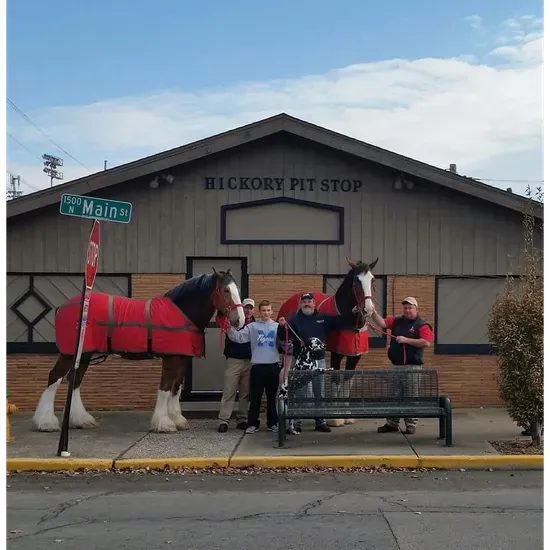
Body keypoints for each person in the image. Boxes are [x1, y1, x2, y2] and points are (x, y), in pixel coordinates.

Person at [277, 292, 351, 433]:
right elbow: (283, 336)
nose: (307, 303)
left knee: (319, 392)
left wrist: (352, 312)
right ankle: (297, 421)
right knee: (301, 393)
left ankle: (320, 421)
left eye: (309, 301)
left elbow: (341, 321)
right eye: (304, 301)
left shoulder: (323, 318)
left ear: (314, 303)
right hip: (301, 363)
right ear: (301, 304)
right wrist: (281, 327)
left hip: (319, 361)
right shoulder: (294, 319)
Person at [370, 296, 433, 435]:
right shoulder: (397, 321)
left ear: (416, 309)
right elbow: (381, 323)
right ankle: (392, 423)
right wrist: (373, 311)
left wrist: (406, 340)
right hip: (396, 366)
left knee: (411, 396)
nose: (407, 310)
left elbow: (426, 342)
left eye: (410, 307)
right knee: (394, 395)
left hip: (412, 367)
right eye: (405, 307)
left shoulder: (422, 324)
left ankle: (411, 424)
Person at [226, 299, 283, 434]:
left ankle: (272, 423)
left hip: (273, 366)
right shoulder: (252, 327)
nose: (266, 313)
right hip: (257, 366)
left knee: (271, 397)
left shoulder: (277, 327)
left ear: (272, 311)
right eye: (263, 310)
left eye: (268, 310)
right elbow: (238, 338)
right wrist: (228, 328)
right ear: (259, 312)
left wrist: (285, 328)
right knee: (256, 397)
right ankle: (253, 424)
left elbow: (285, 342)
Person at [217, 298, 256, 433]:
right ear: (242, 308)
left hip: (250, 361)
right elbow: (219, 320)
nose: (248, 310)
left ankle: (242, 419)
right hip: (233, 360)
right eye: (246, 307)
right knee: (229, 391)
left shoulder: (256, 324)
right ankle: (224, 420)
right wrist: (223, 313)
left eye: (251, 308)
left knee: (245, 393)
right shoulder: (232, 322)